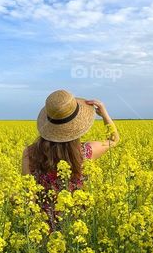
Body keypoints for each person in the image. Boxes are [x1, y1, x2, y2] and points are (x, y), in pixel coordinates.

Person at [22, 89, 120, 229]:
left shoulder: (29, 154)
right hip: (77, 226)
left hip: (43, 228)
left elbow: (29, 197)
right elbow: (114, 140)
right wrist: (104, 114)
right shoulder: (86, 152)